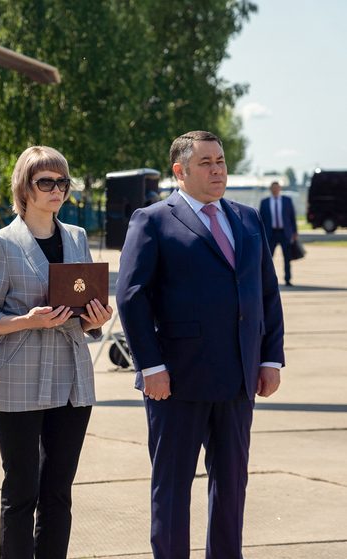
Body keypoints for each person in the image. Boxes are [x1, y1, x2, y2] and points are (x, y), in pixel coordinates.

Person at [115, 130, 284, 559]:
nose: (217, 170)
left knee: (231, 488)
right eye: (206, 162)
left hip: (239, 379)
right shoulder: (152, 219)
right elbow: (132, 296)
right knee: (171, 488)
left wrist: (270, 358)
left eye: (221, 161)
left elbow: (266, 292)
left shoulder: (247, 219)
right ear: (180, 171)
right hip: (177, 381)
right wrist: (149, 367)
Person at [0, 146, 112, 559]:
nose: (56, 190)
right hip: (21, 380)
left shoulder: (77, 237)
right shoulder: (0, 244)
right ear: (24, 188)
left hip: (73, 379)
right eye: (45, 182)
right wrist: (29, 320)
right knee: (20, 493)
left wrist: (96, 317)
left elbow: (85, 316)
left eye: (62, 182)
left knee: (58, 493)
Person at [259, 181, 298, 286]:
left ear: (280, 189)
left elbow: (292, 218)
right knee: (268, 259)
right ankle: (267, 280)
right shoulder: (265, 202)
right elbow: (261, 220)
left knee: (287, 258)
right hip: (270, 234)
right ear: (270, 189)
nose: (275, 189)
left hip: (284, 234)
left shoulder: (287, 201)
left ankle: (288, 279)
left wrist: (295, 233)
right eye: (273, 188)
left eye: (277, 187)